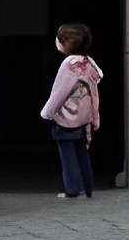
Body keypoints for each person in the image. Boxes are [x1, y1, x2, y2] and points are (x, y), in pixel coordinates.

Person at [40, 21, 103, 201]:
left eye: (60, 39)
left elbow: (59, 92)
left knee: (67, 154)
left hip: (67, 118)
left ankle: (72, 189)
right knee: (82, 152)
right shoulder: (88, 62)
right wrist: (95, 117)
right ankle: (88, 187)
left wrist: (47, 112)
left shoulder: (69, 64)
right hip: (84, 117)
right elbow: (94, 92)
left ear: (66, 42)